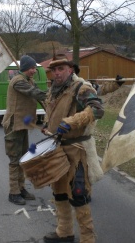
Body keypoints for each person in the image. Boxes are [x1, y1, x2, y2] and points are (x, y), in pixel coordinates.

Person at [42, 54, 104, 243]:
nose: (57, 73)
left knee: (78, 194)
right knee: (59, 192)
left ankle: (88, 238)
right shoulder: (54, 89)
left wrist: (72, 121)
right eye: (54, 70)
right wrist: (47, 125)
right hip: (57, 149)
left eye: (61, 69)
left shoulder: (82, 87)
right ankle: (64, 232)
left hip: (78, 151)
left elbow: (97, 109)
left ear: (70, 69)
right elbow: (52, 113)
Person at [1, 55, 47, 206]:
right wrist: (51, 96)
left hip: (22, 125)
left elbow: (37, 94)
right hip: (14, 126)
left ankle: (21, 188)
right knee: (15, 160)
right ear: (25, 68)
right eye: (32, 68)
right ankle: (13, 192)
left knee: (23, 159)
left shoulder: (27, 80)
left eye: (35, 68)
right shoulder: (18, 81)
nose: (34, 70)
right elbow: (33, 93)